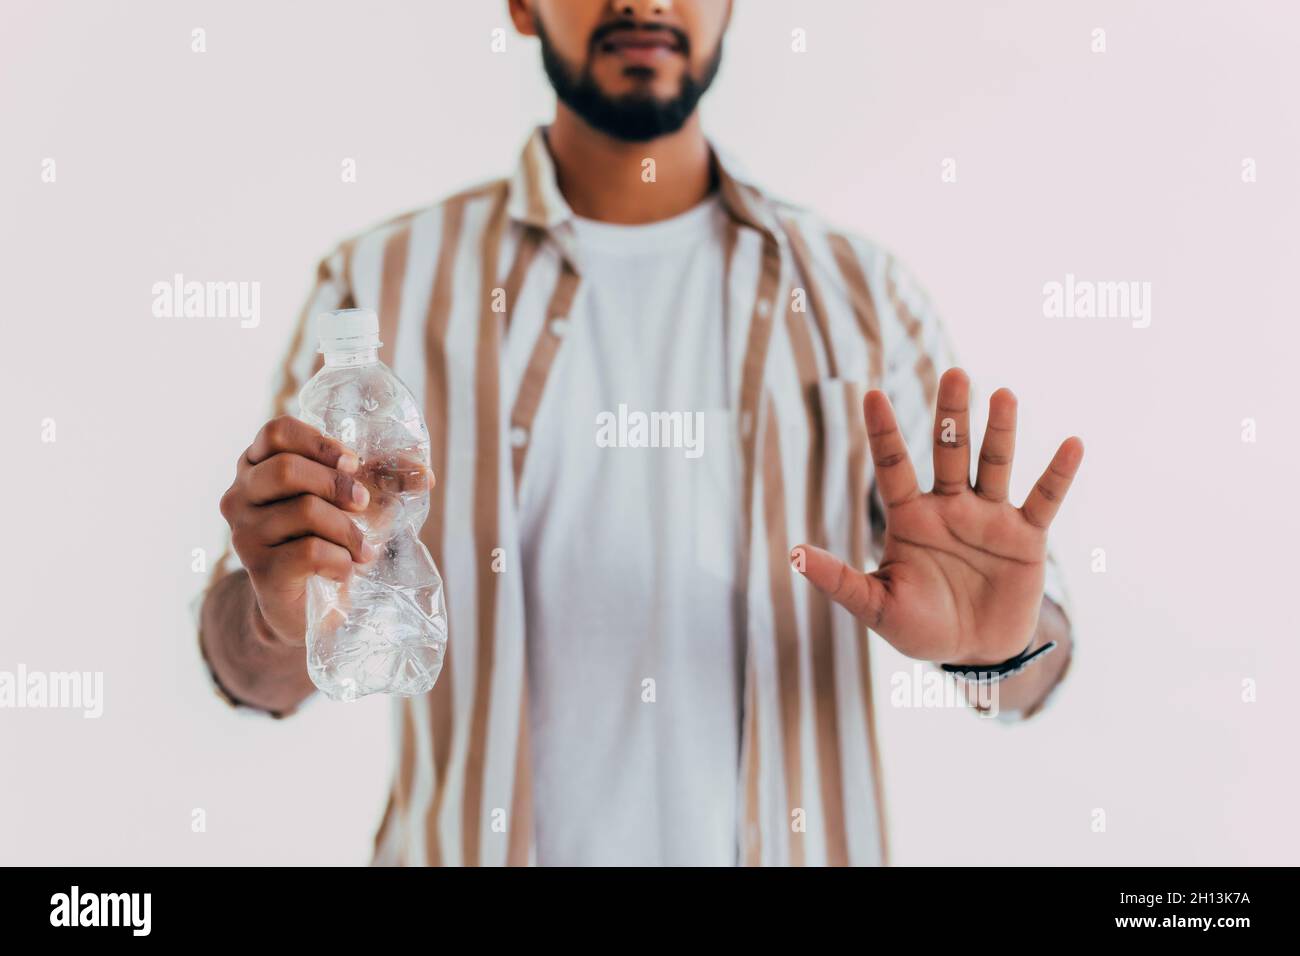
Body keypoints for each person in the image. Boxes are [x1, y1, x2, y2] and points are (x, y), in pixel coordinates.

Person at [199, 0, 1082, 866]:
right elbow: (251, 671)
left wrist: (999, 649)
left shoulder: (863, 296)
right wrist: (280, 617)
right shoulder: (382, 285)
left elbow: (1026, 676)